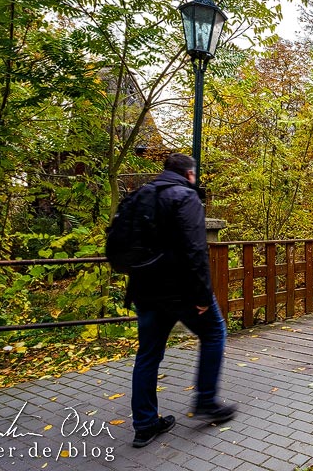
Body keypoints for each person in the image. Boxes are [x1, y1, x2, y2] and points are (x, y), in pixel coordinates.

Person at [128, 152, 236, 448]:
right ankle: (206, 401)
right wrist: (201, 295)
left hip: (144, 290)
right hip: (179, 292)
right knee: (214, 333)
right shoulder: (185, 197)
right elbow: (195, 250)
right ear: (190, 174)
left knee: (148, 355)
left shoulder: (141, 196)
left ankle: (145, 424)